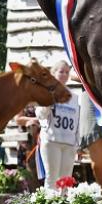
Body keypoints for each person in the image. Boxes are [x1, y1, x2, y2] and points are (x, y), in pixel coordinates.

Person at [35, 60, 80, 192]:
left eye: (67, 72)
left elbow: (77, 120)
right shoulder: (46, 92)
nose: (65, 74)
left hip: (69, 143)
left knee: (66, 180)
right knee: (51, 178)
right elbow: (40, 114)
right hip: (52, 140)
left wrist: (77, 143)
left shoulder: (74, 96)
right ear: (53, 73)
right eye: (61, 71)